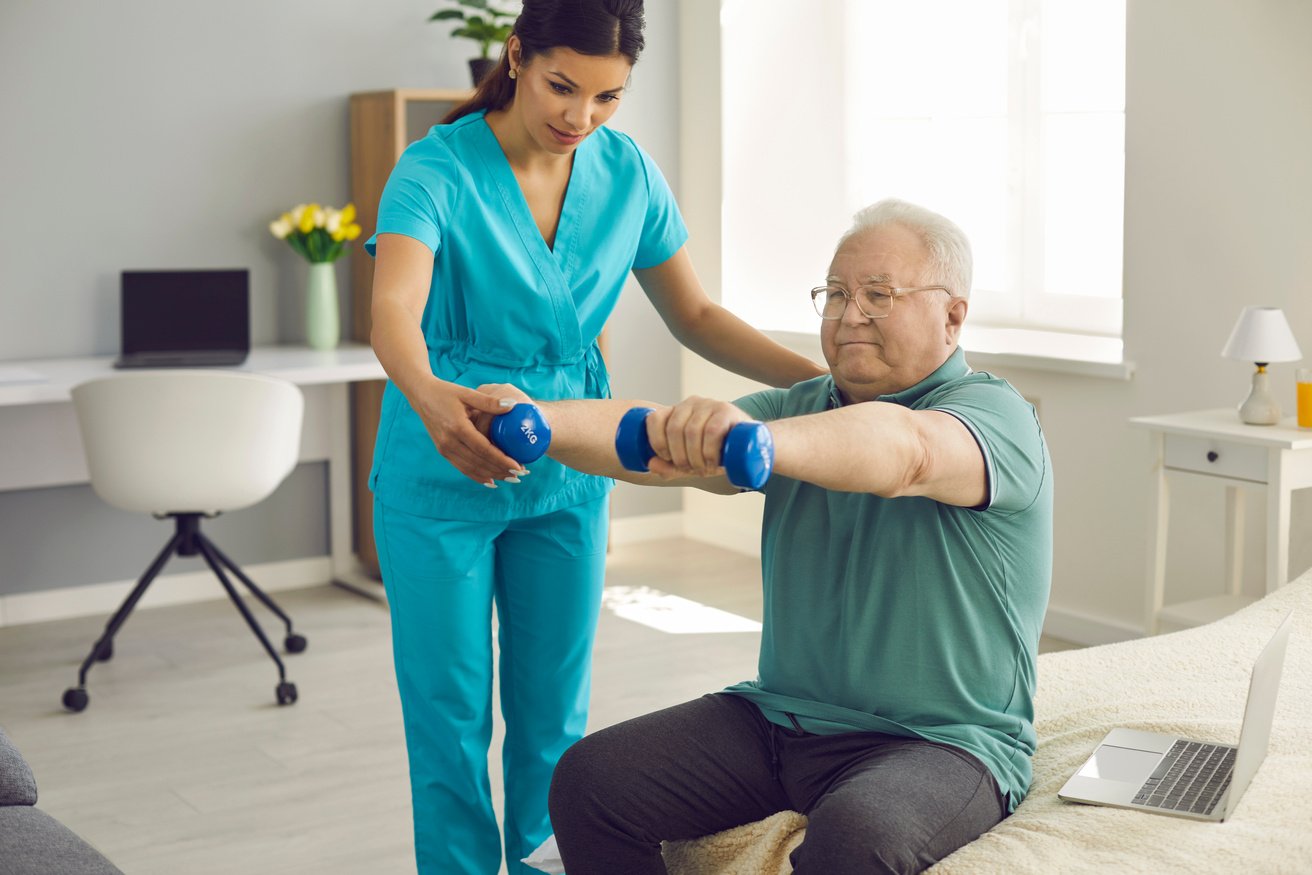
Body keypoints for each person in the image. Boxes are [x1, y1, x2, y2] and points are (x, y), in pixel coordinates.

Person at [365, 1, 825, 872]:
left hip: (573, 469)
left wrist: (817, 387)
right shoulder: (434, 169)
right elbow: (393, 312)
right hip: (443, 468)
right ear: (517, 57)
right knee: (449, 716)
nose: (580, 116)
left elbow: (694, 313)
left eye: (608, 96)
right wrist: (431, 400)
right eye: (561, 85)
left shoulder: (628, 175)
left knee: (553, 714)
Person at [483, 199, 1053, 873]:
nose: (849, 314)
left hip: (942, 742)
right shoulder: (802, 405)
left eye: (878, 294)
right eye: (835, 294)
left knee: (858, 833)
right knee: (589, 780)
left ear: (953, 315)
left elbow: (905, 452)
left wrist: (756, 442)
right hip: (779, 720)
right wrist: (539, 419)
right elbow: (652, 442)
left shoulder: (993, 414)